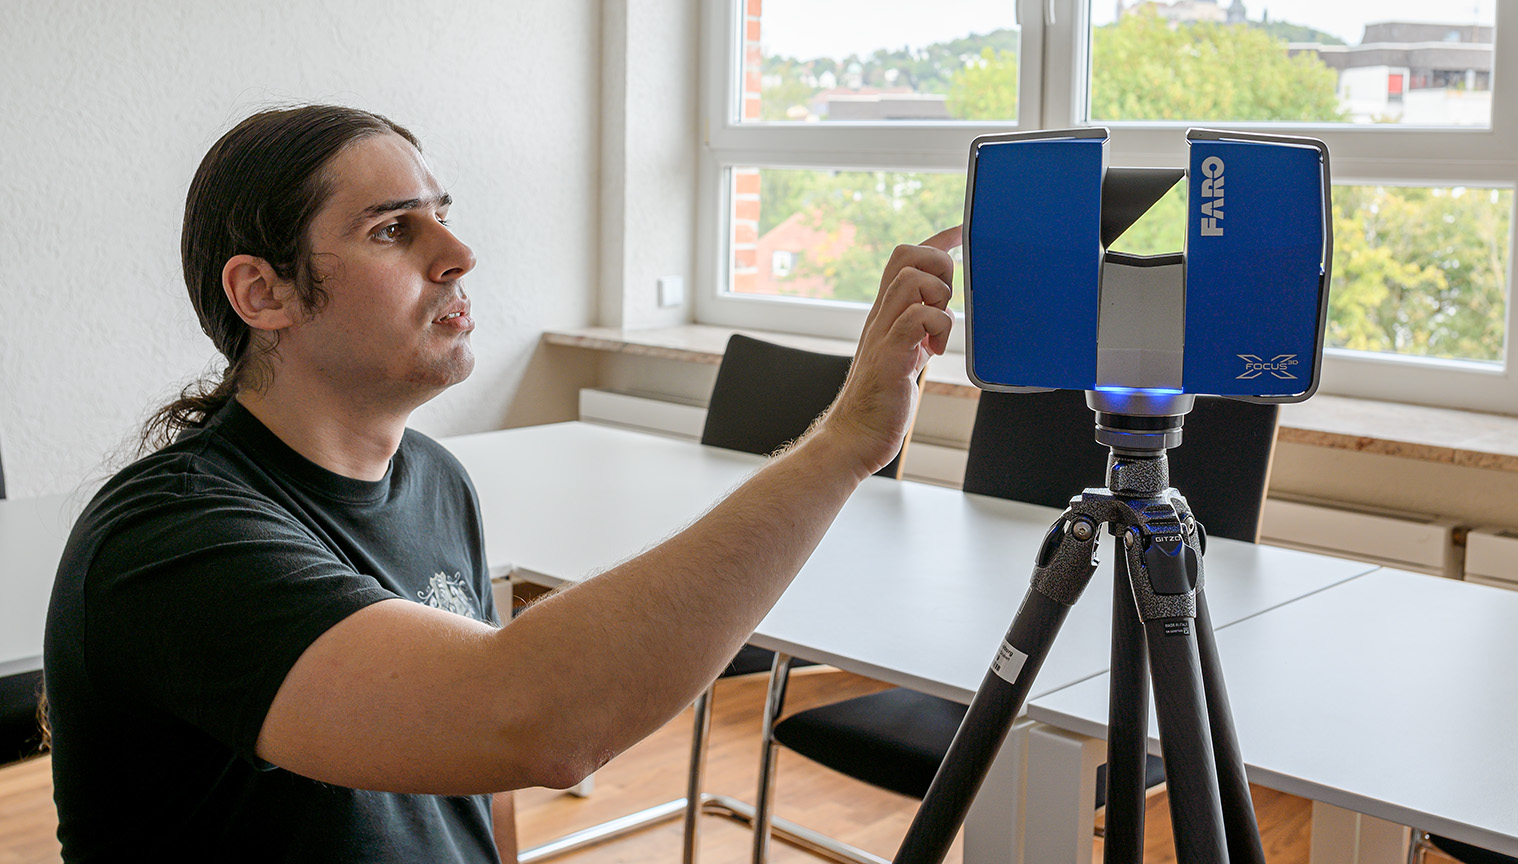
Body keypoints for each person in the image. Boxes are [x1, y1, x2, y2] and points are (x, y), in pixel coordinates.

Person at [43, 104, 961, 862]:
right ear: (264, 294)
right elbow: (536, 719)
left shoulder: (436, 480)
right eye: (394, 229)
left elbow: (480, 778)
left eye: (442, 212)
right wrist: (841, 443)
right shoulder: (168, 542)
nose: (458, 254)